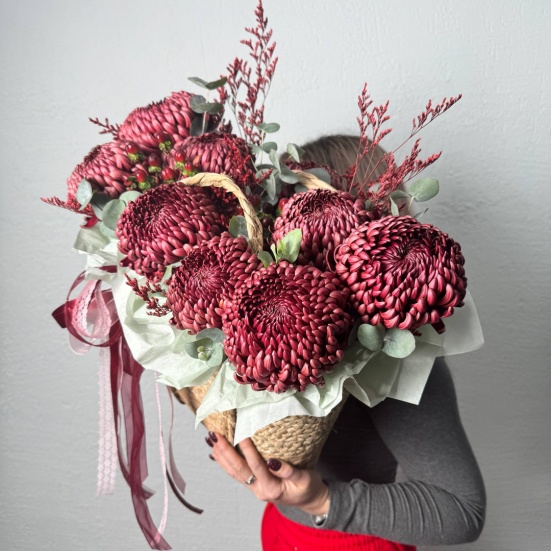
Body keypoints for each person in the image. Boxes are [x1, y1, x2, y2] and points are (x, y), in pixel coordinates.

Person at [205, 135, 486, 550]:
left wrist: (321, 501)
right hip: (284, 530)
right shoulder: (257, 316)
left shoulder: (397, 356)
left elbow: (462, 512)